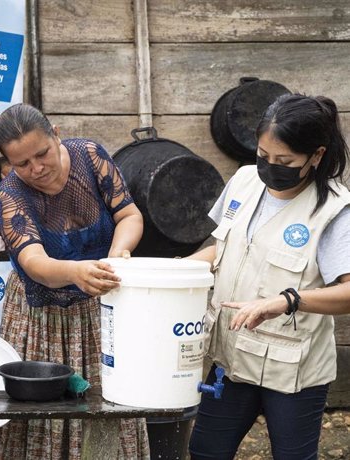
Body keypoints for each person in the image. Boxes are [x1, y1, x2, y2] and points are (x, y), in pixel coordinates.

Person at [187, 94, 350, 459]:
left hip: (293, 371)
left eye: (285, 161)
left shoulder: (334, 211)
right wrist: (179, 270)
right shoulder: (244, 181)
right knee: (205, 453)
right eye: (263, 155)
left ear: (317, 156)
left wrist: (287, 301)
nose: (270, 167)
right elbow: (223, 247)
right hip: (231, 358)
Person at [0, 103, 148, 459]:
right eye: (22, 163)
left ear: (56, 133)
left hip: (102, 308)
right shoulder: (11, 195)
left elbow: (129, 214)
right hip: (41, 319)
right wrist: (75, 272)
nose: (37, 168)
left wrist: (116, 255)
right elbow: (35, 262)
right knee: (41, 419)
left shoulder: (90, 156)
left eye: (42, 154)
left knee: (109, 406)